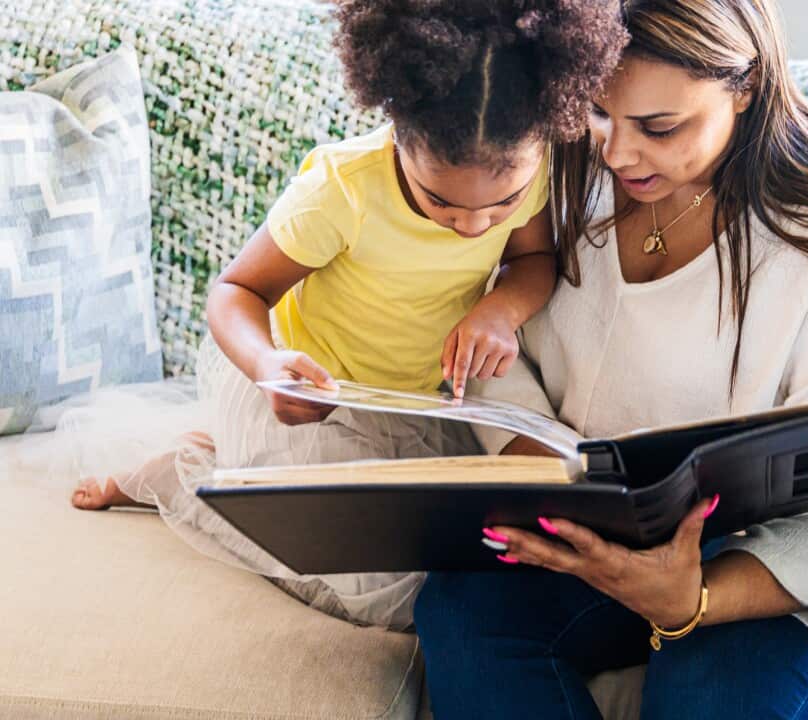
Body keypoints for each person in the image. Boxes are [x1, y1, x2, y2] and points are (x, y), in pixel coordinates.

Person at [414, 0, 808, 716]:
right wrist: (548, 480)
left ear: (745, 87)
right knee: (463, 611)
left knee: (703, 694)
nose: (616, 153)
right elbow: (489, 333)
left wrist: (694, 599)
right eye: (599, 112)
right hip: (614, 512)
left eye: (660, 128)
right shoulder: (551, 162)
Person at [54, 0, 628, 630]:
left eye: (502, 204)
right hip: (305, 397)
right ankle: (182, 476)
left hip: (409, 404)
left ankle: (225, 460)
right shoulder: (344, 190)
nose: (472, 226)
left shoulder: (534, 165)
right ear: (399, 135)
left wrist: (499, 309)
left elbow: (533, 258)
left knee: (470, 552)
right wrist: (269, 365)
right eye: (442, 202)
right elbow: (236, 292)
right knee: (384, 591)